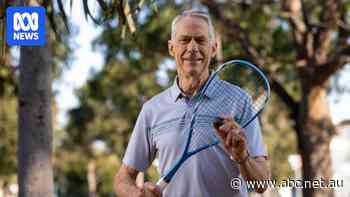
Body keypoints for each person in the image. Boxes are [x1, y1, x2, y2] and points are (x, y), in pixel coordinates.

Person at [114, 10, 271, 197]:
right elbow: (123, 178)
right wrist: (136, 194)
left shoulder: (239, 100)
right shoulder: (152, 110)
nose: (193, 47)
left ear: (213, 48)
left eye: (200, 40)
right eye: (185, 40)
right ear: (172, 48)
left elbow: (262, 184)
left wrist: (242, 157)